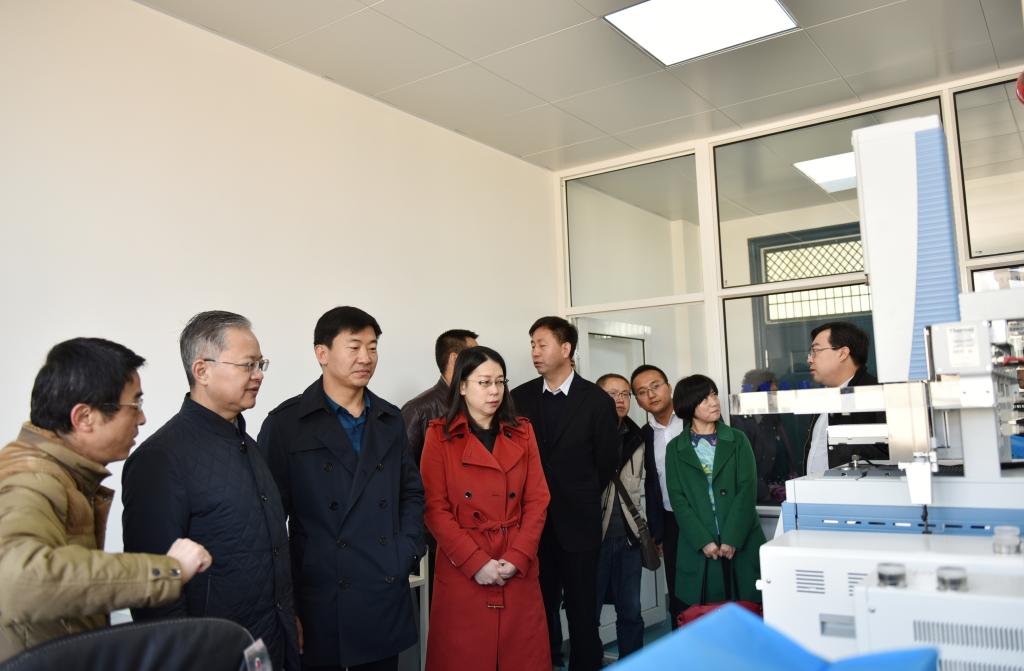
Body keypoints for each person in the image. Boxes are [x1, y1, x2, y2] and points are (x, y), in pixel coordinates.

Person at [0, 338, 211, 663]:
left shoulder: (57, 473)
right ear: (84, 417)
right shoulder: (30, 477)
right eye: (135, 404)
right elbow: (19, 582)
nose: (142, 418)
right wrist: (169, 572)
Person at [122, 311, 298, 671]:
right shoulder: (161, 458)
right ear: (201, 370)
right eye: (248, 365)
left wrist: (287, 618)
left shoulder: (248, 444)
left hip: (267, 644)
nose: (258, 375)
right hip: (212, 654)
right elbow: (152, 588)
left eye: (260, 364)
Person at [259, 306, 424, 671]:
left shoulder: (389, 419)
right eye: (354, 347)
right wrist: (284, 603)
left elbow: (411, 493)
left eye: (372, 347)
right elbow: (268, 521)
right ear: (322, 353)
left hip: (383, 586)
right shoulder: (287, 424)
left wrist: (406, 551)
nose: (366, 357)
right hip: (320, 595)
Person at [420, 346, 551, 671]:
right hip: (463, 566)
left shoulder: (522, 431)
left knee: (522, 657)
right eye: (484, 382)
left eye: (500, 381)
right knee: (464, 658)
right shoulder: (439, 435)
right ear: (462, 386)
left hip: (515, 561)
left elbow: (538, 499)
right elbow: (434, 508)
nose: (494, 391)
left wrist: (518, 556)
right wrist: (475, 562)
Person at [510, 317, 617, 671]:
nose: (534, 352)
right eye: (532, 345)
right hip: (532, 525)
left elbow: (606, 462)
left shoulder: (596, 400)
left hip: (579, 524)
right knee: (538, 608)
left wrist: (578, 493)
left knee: (582, 611)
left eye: (542, 344)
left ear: (566, 348)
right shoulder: (519, 398)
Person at [665, 375, 766, 611]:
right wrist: (703, 540)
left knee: (749, 610)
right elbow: (678, 499)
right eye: (704, 399)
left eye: (714, 395)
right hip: (700, 542)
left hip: (741, 538)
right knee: (708, 614)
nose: (714, 402)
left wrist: (732, 537)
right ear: (688, 406)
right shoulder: (675, 448)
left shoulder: (737, 439)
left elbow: (747, 490)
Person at [594, 373, 654, 659]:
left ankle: (633, 662)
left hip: (629, 538)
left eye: (625, 394)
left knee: (630, 611)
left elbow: (648, 485)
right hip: (594, 539)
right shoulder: (586, 434)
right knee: (588, 611)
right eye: (611, 394)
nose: (619, 400)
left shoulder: (638, 437)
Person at [629, 364, 684, 628]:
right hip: (671, 521)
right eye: (642, 392)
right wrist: (656, 532)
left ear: (669, 387)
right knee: (677, 588)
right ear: (638, 401)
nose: (651, 395)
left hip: (706, 518)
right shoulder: (644, 435)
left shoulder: (693, 420)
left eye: (655, 386)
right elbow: (652, 485)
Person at [804, 321, 887, 476]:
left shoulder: (876, 396)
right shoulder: (824, 399)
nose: (809, 359)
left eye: (816, 351)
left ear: (842, 353)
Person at [401, 329, 478, 463]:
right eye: (475, 355)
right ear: (455, 359)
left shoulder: (480, 401)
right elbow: (403, 467)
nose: (482, 362)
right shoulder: (417, 410)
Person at [731, 369, 796, 504]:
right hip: (762, 498)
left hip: (783, 491)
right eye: (772, 393)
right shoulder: (741, 422)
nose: (776, 397)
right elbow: (743, 467)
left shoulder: (772, 417)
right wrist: (765, 493)